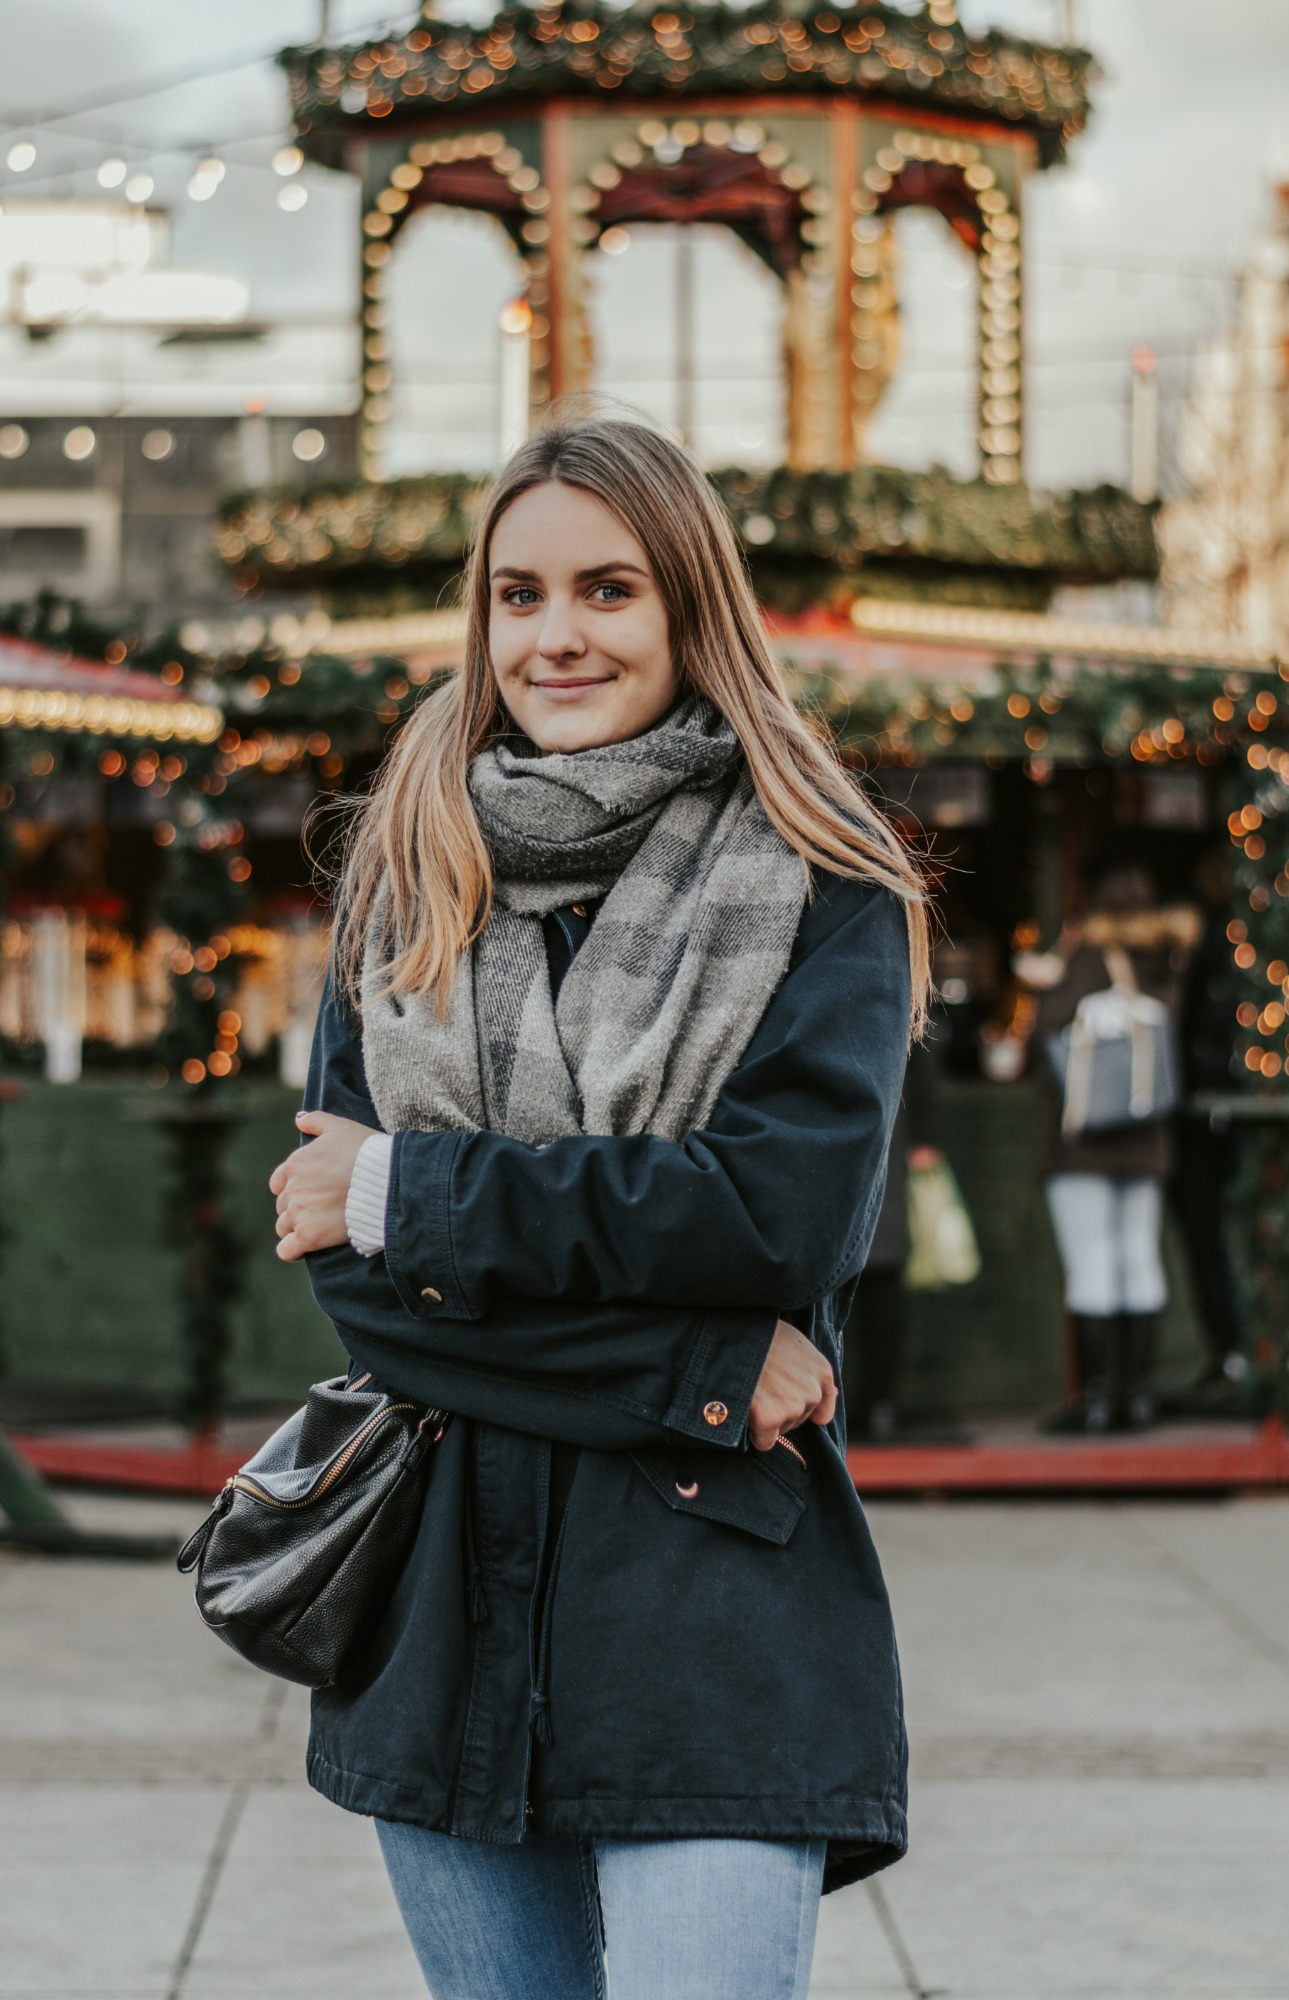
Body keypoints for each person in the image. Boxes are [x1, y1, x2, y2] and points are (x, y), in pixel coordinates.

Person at [268, 416, 929, 2000]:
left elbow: (776, 1220)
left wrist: (411, 1190)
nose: (556, 637)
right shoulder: (405, 885)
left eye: (609, 590)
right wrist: (688, 1368)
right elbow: (358, 1288)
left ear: (691, 609)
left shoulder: (825, 879)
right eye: (517, 595)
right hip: (444, 1616)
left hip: (712, 1606)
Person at [1022, 867, 1194, 1433]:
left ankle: (1096, 1400)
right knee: (1140, 1257)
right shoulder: (1167, 957)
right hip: (1147, 1138)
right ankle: (1138, 1397)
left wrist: (1046, 984)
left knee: (1091, 1260)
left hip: (1084, 1144)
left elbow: (1044, 1034)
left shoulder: (1088, 955)